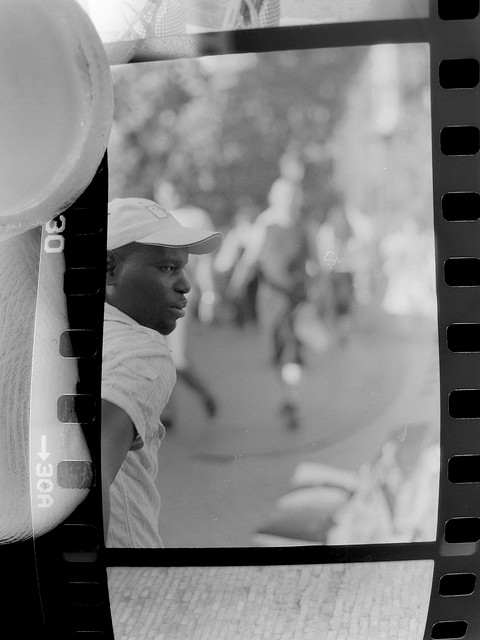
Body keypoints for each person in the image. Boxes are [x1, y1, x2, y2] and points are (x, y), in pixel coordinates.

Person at [101, 197, 222, 548]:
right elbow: (89, 477)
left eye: (183, 268)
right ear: (109, 269)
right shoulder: (143, 351)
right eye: (168, 268)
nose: (185, 285)